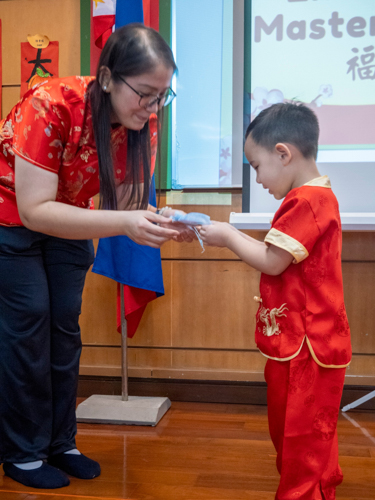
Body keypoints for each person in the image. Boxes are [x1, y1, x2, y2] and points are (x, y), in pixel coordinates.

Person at [0, 23, 190, 490]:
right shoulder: (50, 103)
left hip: (67, 223)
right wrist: (126, 222)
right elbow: (35, 209)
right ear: (107, 79)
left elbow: (123, 207)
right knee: (29, 325)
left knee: (65, 326)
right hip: (10, 220)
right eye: (144, 94)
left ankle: (61, 443)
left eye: (161, 96)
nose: (151, 108)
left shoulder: (142, 123)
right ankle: (22, 452)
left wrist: (161, 221)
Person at [199, 102, 351, 500]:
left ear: (283, 153)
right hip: (303, 344)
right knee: (305, 439)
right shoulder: (315, 197)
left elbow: (272, 261)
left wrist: (228, 235)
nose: (258, 178)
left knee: (300, 441)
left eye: (255, 166)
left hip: (307, 346)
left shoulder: (307, 201)